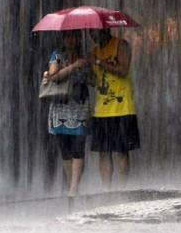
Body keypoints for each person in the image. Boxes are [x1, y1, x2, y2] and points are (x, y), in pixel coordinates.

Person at [88, 29, 141, 190]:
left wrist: (98, 62)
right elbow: (94, 81)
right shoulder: (95, 52)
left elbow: (123, 71)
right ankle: (106, 190)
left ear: (105, 29)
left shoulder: (121, 45)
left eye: (94, 30)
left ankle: (123, 189)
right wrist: (84, 70)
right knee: (103, 152)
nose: (92, 34)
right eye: (90, 31)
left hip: (122, 107)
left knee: (122, 150)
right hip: (102, 110)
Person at [45, 30, 90, 197]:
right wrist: (73, 67)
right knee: (65, 151)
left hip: (79, 107)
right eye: (69, 36)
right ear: (64, 39)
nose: (72, 40)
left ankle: (73, 189)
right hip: (61, 108)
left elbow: (92, 80)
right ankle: (72, 187)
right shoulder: (57, 56)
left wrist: (90, 68)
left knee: (79, 147)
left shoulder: (84, 57)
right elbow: (53, 76)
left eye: (75, 36)